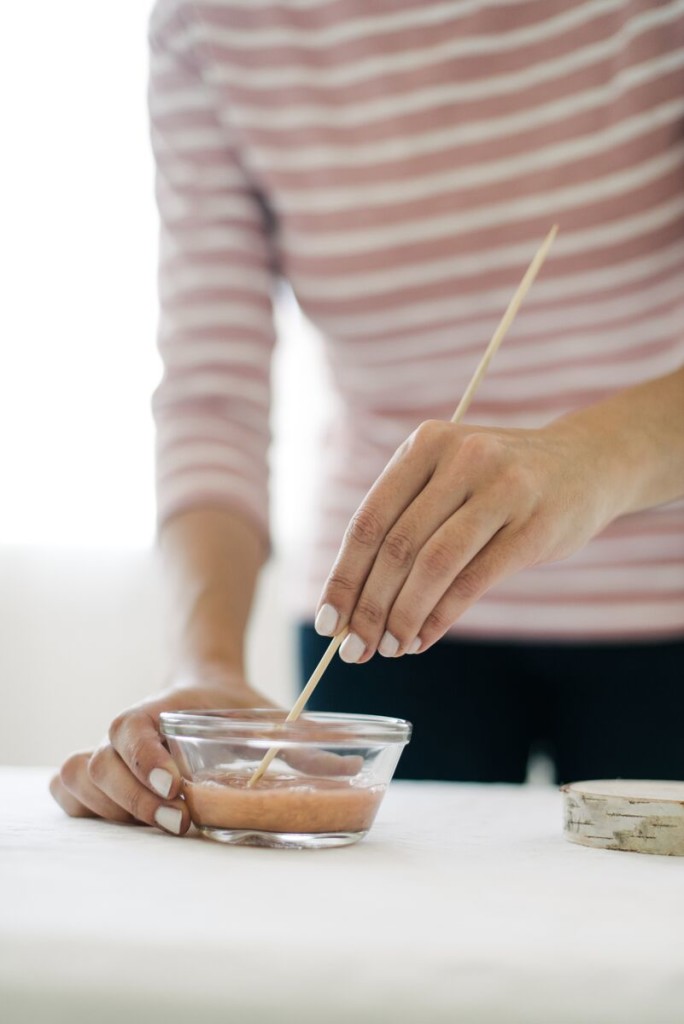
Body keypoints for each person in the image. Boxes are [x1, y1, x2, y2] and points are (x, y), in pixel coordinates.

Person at [51, 0, 684, 835]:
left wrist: (589, 460)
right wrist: (209, 670)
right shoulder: (209, 24)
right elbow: (213, 395)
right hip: (375, 621)